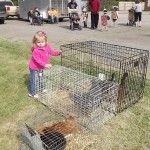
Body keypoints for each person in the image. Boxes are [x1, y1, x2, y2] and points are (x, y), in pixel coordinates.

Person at [28, 31, 61, 98]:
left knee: (41, 77)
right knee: (34, 80)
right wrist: (45, 65)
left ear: (46, 41)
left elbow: (52, 52)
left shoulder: (47, 47)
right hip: (34, 68)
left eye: (42, 42)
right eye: (38, 42)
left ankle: (41, 88)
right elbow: (37, 60)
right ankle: (32, 93)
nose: (40, 44)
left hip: (41, 67)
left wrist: (58, 53)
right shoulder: (36, 50)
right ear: (35, 42)